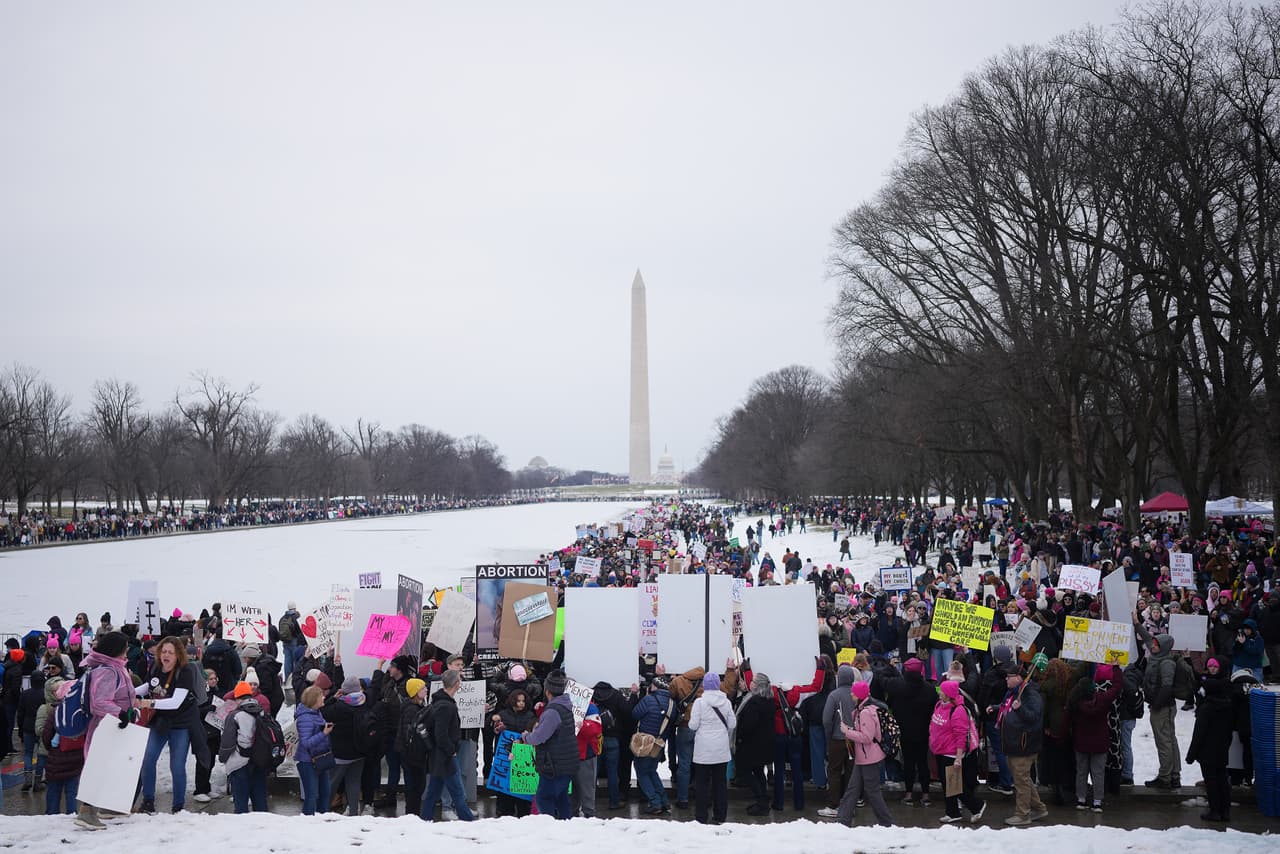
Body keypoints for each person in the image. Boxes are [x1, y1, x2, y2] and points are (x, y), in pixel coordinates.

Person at [76, 632, 142, 830]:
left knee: (114, 765)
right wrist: (121, 713)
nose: (127, 650)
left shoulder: (112, 667)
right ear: (117, 649)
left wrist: (129, 712)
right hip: (105, 726)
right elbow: (99, 702)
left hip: (113, 724)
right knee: (100, 765)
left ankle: (109, 806)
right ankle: (87, 812)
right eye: (125, 647)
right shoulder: (108, 670)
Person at [135, 636, 200, 813]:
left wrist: (149, 703)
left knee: (177, 765)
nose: (166, 655)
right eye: (163, 651)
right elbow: (149, 686)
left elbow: (175, 702)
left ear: (178, 654)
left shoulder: (185, 671)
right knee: (148, 759)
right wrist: (129, 693)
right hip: (159, 722)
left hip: (180, 723)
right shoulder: (156, 667)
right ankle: (148, 800)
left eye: (170, 652)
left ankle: (178, 805)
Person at [835, 681, 894, 827]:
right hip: (865, 757)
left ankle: (887, 823)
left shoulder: (866, 712)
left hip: (868, 758)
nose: (851, 694)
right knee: (853, 789)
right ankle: (843, 820)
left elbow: (867, 737)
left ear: (860, 695)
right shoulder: (865, 708)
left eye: (854, 692)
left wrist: (847, 731)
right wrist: (849, 729)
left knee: (871, 791)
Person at [420, 669, 476, 821]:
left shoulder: (439, 703)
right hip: (445, 756)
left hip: (438, 756)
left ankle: (425, 819)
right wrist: (451, 750)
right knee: (457, 792)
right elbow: (441, 734)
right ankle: (469, 821)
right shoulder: (446, 706)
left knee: (433, 791)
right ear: (456, 684)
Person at [522, 669, 578, 820]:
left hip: (554, 765)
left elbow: (539, 737)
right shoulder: (566, 706)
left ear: (547, 691)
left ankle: (550, 830)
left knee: (544, 798)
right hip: (566, 762)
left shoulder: (553, 711)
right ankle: (566, 826)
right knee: (561, 798)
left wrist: (527, 737)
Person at [929, 679, 985, 823]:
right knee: (947, 785)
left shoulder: (958, 711)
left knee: (954, 786)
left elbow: (961, 736)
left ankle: (977, 806)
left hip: (951, 753)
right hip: (940, 751)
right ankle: (952, 812)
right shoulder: (939, 704)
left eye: (941, 691)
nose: (939, 693)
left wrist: (958, 757)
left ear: (948, 694)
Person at [1068, 664, 1121, 812]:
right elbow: (1116, 688)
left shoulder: (1075, 703)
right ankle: (1097, 801)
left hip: (1082, 743)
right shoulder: (1103, 699)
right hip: (1100, 743)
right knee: (1098, 773)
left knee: (1081, 772)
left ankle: (1081, 799)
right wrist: (1115, 668)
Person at [999, 665, 1047, 825]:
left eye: (1009, 676)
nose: (1006, 678)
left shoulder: (1031, 694)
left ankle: (1023, 815)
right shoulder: (1015, 692)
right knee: (1023, 779)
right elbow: (1009, 708)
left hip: (1024, 746)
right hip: (1016, 744)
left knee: (1021, 781)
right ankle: (1039, 809)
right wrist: (996, 708)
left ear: (1019, 678)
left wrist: (1019, 710)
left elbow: (1034, 716)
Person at [1187, 660, 1234, 821]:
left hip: (1207, 750)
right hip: (1222, 747)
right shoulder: (1227, 703)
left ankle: (1215, 810)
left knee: (1212, 781)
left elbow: (1198, 733)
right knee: (1222, 778)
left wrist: (1191, 755)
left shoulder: (1206, 708)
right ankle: (1225, 810)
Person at [885, 656, 935, 807]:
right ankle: (925, 794)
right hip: (923, 731)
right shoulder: (929, 689)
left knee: (908, 763)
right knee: (922, 763)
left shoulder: (898, 686)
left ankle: (908, 793)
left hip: (905, 731)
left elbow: (890, 703)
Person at [687, 671, 735, 825]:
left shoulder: (699, 703)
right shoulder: (726, 702)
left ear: (704, 686)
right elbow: (733, 724)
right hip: (720, 750)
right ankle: (720, 816)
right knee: (720, 784)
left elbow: (693, 725)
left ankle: (701, 816)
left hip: (703, 751)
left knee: (702, 784)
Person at [323, 676, 371, 817]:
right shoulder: (364, 702)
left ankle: (324, 810)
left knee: (332, 783)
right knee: (354, 783)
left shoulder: (340, 706)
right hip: (359, 752)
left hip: (341, 754)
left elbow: (323, 712)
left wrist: (333, 698)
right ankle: (354, 812)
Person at [218, 681, 268, 813]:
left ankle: (242, 830)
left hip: (239, 763)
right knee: (260, 803)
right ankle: (264, 829)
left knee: (241, 804)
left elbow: (228, 742)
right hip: (259, 761)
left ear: (237, 698)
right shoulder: (262, 712)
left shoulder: (235, 716)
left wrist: (222, 758)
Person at [1140, 631, 1181, 789]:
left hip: (1163, 707)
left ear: (1163, 647)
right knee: (1170, 740)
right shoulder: (1158, 658)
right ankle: (1174, 774)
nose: (1152, 646)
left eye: (1156, 645)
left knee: (1164, 741)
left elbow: (1166, 687)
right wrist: (1137, 624)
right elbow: (1146, 637)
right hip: (1162, 705)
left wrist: (1156, 705)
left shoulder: (1166, 663)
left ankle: (1165, 777)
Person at [629, 675, 674, 815]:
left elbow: (635, 714)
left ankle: (655, 803)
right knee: (652, 771)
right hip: (659, 743)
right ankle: (664, 801)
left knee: (642, 772)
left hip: (645, 742)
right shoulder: (672, 703)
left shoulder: (648, 699)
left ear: (655, 686)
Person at [39, 674, 83, 814]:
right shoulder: (81, 713)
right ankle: (71, 815)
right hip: (76, 757)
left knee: (53, 790)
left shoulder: (55, 711)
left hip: (56, 759)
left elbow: (46, 735)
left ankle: (51, 816)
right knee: (72, 790)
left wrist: (51, 749)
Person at [735, 670, 776, 816]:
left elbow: (747, 725)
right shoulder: (769, 700)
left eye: (752, 681)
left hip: (752, 745)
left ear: (757, 686)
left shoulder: (754, 702)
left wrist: (739, 737)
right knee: (759, 772)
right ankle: (762, 800)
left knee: (745, 772)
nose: (749, 683)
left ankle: (761, 800)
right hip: (764, 744)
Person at [492, 688, 536, 817]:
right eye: (518, 701)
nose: (521, 703)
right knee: (504, 786)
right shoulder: (503, 714)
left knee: (521, 787)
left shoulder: (530, 716)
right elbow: (493, 728)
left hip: (522, 757)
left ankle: (523, 810)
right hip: (504, 756)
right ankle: (504, 810)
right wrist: (496, 725)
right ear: (512, 701)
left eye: (523, 701)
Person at [295, 684, 335, 815]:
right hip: (308, 762)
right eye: (321, 696)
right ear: (314, 699)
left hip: (319, 759)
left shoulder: (316, 713)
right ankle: (307, 822)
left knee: (325, 792)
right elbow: (306, 743)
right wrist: (324, 733)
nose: (323, 697)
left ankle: (321, 821)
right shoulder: (304, 717)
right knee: (312, 795)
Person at [397, 677, 430, 817]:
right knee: (415, 787)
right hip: (412, 755)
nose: (426, 689)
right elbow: (409, 734)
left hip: (412, 754)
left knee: (416, 786)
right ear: (416, 692)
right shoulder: (412, 710)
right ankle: (412, 815)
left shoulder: (417, 707)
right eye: (423, 688)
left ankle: (413, 814)